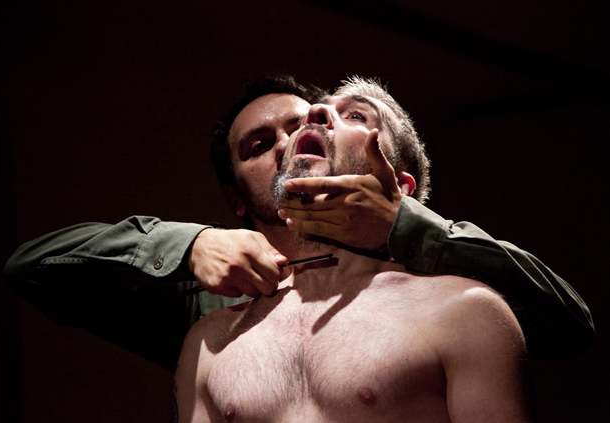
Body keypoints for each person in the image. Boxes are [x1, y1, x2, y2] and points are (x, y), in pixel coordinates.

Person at [4, 75, 593, 373]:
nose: (291, 143)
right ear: (236, 200)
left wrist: (400, 225)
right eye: (259, 146)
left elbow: (568, 327)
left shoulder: (436, 289)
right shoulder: (206, 311)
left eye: (302, 125)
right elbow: (30, 267)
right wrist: (186, 244)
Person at [174, 78, 532, 422]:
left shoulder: (462, 312)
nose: (315, 115)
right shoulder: (210, 342)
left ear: (399, 186)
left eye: (356, 115)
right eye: (312, 116)